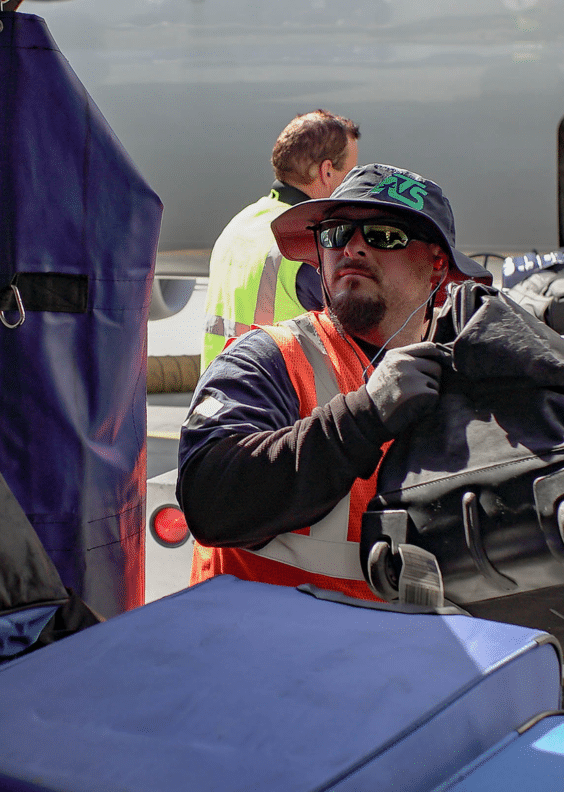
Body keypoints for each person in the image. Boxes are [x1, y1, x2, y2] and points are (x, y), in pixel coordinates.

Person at [177, 163, 491, 599]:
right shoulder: (268, 359)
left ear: (437, 265)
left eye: (385, 235)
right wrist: (364, 417)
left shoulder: (463, 381)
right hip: (255, 658)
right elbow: (209, 502)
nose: (353, 248)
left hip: (396, 660)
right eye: (336, 233)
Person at [201, 109, 360, 371]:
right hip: (284, 403)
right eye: (351, 173)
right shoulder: (308, 241)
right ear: (327, 172)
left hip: (221, 394)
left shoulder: (240, 223)